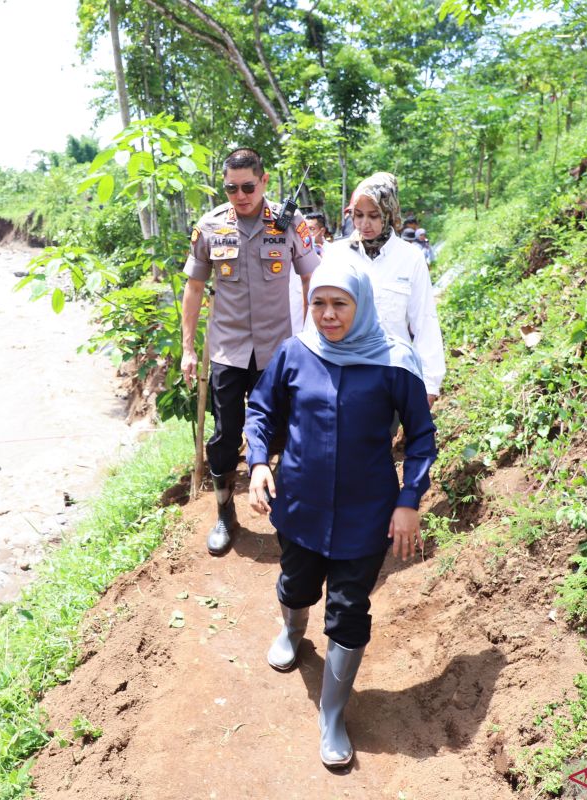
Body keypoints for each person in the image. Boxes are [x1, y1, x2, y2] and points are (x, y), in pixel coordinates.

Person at [243, 262, 437, 768]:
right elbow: (262, 410)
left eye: (340, 304)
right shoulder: (295, 352)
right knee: (296, 584)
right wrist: (260, 462)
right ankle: (291, 629)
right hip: (301, 507)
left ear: (362, 303)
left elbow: (420, 439)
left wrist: (408, 501)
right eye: (319, 304)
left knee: (349, 609)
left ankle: (332, 713)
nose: (327, 315)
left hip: (366, 514)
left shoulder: (395, 363)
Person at [181, 147, 321, 556]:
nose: (239, 195)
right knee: (225, 436)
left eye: (247, 186)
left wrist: (312, 339)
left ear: (262, 181)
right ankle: (226, 514)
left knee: (281, 431)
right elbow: (193, 289)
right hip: (228, 350)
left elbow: (311, 278)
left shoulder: (289, 223)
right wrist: (189, 349)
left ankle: (282, 511)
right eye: (230, 187)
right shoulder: (210, 227)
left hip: (277, 351)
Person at [322, 172, 445, 409]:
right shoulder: (337, 255)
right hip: (342, 373)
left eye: (373, 216)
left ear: (389, 214)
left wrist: (429, 383)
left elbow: (424, 321)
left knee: (378, 442)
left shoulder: (410, 258)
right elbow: (317, 316)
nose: (364, 224)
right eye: (358, 215)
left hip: (391, 374)